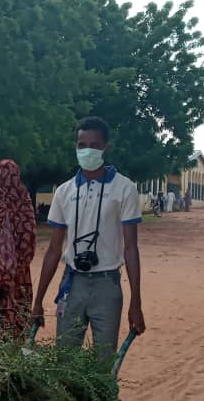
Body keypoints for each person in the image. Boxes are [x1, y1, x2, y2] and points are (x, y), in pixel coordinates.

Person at [32, 116, 146, 365]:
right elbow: (53, 250)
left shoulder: (124, 188)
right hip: (72, 285)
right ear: (75, 146)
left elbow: (130, 248)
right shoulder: (64, 191)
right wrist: (38, 301)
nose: (87, 150)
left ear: (106, 148)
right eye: (82, 144)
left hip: (107, 285)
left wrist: (135, 302)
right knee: (65, 362)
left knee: (104, 362)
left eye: (94, 145)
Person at [0, 159, 37, 347]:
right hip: (21, 271)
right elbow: (30, 235)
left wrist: (5, 269)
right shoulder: (24, 196)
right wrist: (20, 262)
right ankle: (15, 355)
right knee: (17, 313)